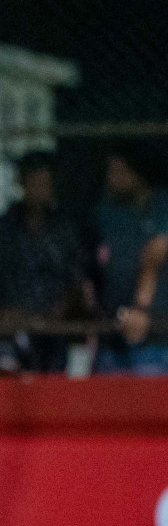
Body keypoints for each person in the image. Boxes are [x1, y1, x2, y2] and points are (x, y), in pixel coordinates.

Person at [0, 152, 89, 374]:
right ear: (21, 182)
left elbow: (77, 283)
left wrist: (50, 316)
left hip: (52, 335)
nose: (41, 189)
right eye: (35, 182)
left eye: (46, 183)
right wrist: (4, 313)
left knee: (52, 398)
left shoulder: (66, 231)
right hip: (5, 334)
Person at [94, 151, 168, 374]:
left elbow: (156, 254)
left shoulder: (163, 204)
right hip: (113, 333)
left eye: (118, 171)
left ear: (137, 174)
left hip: (157, 334)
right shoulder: (104, 213)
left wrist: (141, 307)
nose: (110, 178)